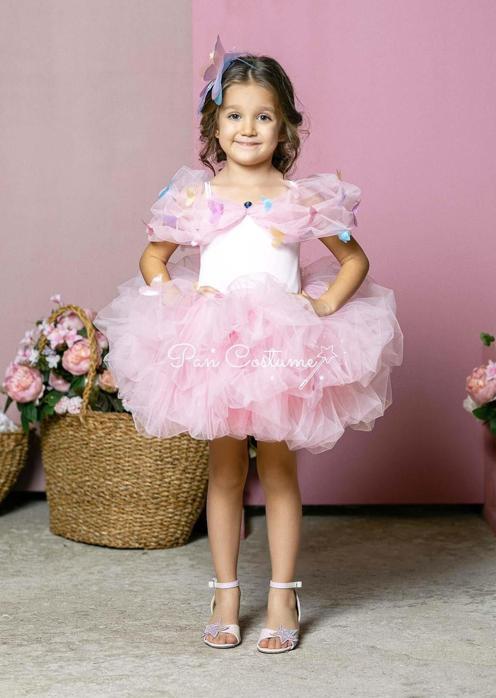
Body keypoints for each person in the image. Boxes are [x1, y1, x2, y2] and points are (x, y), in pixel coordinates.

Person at [93, 35, 404, 655]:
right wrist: (175, 295)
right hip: (213, 347)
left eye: (264, 116)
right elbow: (153, 259)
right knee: (226, 469)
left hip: (280, 350)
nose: (248, 128)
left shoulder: (302, 199)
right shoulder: (195, 198)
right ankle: (226, 592)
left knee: (280, 468)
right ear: (214, 123)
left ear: (284, 125)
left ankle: (284, 594)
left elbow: (355, 262)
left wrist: (322, 306)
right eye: (234, 115)